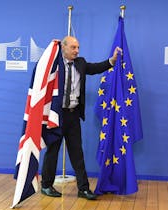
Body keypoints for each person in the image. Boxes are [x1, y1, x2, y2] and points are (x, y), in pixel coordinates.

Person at [41, 36, 121, 200]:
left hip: (72, 116)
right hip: (56, 115)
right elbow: (40, 74)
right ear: (63, 47)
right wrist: (50, 49)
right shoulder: (53, 64)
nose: (76, 51)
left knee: (77, 153)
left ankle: (83, 189)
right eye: (73, 47)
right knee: (53, 151)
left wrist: (112, 60)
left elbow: (96, 68)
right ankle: (46, 185)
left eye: (78, 47)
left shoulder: (81, 63)